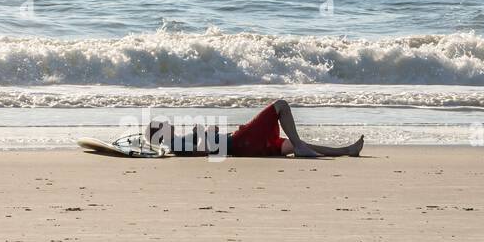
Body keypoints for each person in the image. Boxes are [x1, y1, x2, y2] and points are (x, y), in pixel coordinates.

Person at [148, 100, 364, 158]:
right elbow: (203, 151)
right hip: (241, 141)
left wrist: (208, 133)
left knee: (292, 145)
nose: (167, 122)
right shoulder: (175, 144)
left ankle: (346, 150)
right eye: (162, 123)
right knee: (280, 105)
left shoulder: (176, 142)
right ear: (161, 132)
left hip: (244, 147)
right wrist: (205, 133)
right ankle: (299, 146)